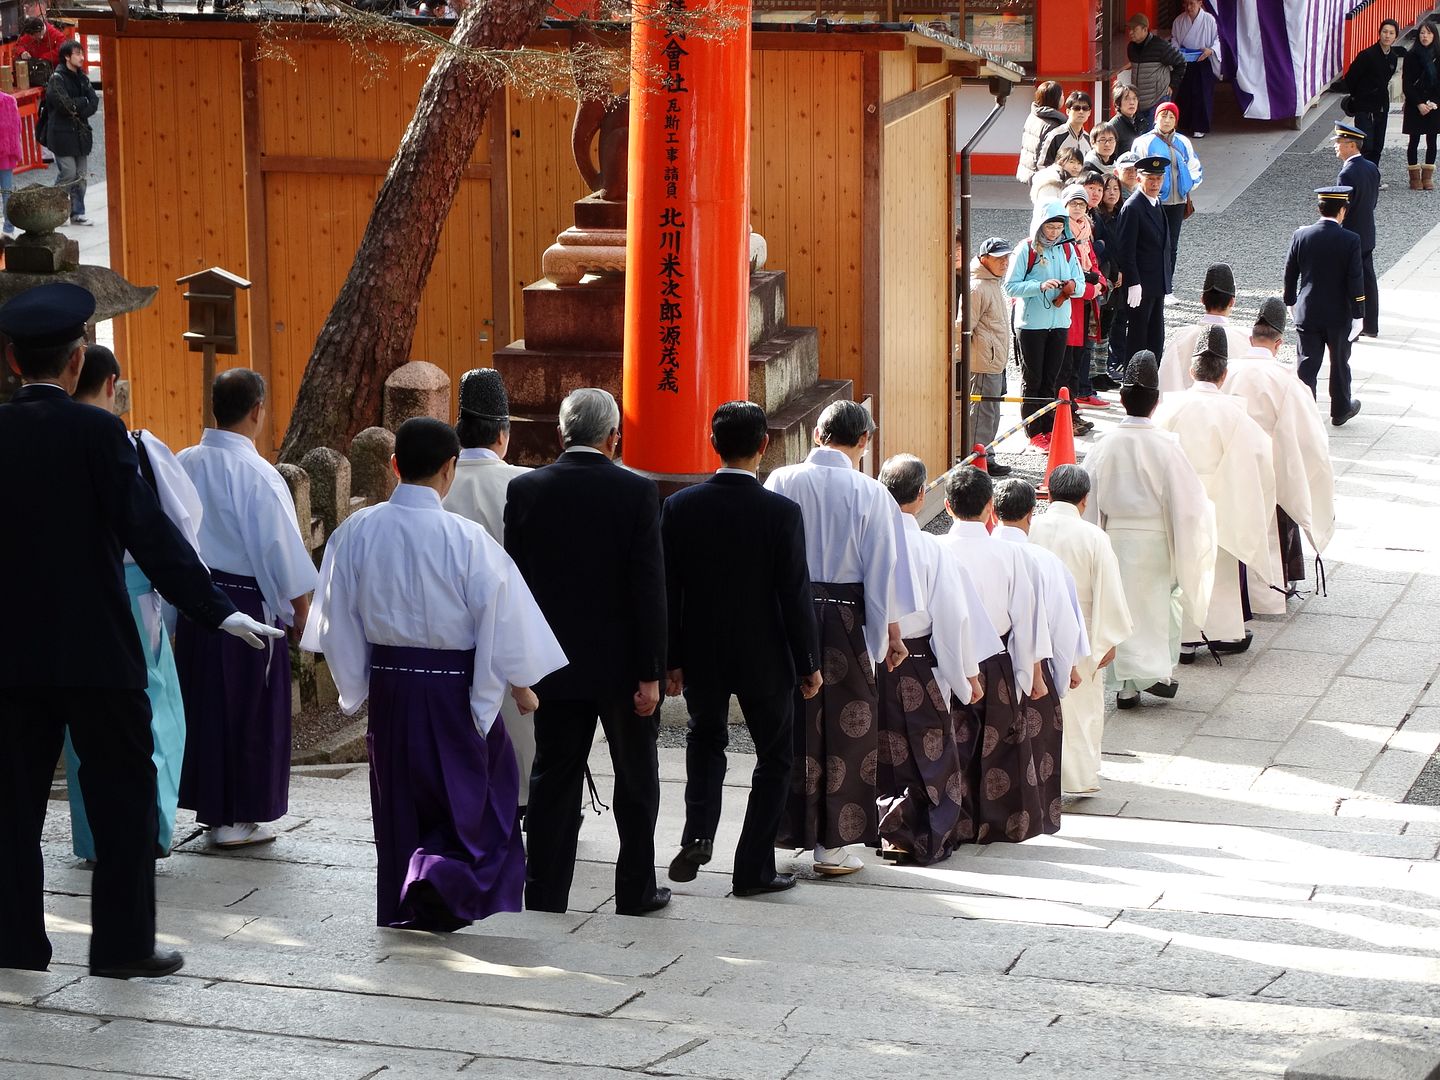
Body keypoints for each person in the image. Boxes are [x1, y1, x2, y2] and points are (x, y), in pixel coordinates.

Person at [0, 283, 278, 979]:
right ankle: (121, 946)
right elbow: (148, 534)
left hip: (10, 650)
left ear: (12, 361)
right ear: (76, 362)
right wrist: (217, 608)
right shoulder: (100, 434)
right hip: (97, 645)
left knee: (10, 802)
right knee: (123, 797)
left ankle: (13, 942)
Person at [303, 418, 563, 930]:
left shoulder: (356, 531)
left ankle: (409, 895)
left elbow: (338, 621)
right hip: (452, 688)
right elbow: (498, 618)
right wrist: (511, 687)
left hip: (391, 685)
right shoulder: (468, 540)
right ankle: (436, 878)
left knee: (401, 802)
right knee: (479, 797)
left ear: (394, 465)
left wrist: (359, 682)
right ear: (450, 469)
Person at [504, 388, 669, 915]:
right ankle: (636, 891)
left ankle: (546, 892)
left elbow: (517, 585)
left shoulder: (527, 490)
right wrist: (651, 673)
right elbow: (649, 589)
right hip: (622, 667)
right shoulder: (638, 493)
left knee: (553, 777)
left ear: (561, 434)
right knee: (636, 776)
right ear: (613, 437)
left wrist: (522, 666)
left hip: (553, 663)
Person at [661, 402, 821, 897]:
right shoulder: (780, 512)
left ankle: (698, 834)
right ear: (764, 444)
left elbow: (668, 589)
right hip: (766, 653)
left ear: (713, 443)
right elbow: (794, 592)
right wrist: (808, 662)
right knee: (774, 756)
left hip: (702, 649)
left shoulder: (681, 506)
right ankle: (752, 867)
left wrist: (671, 659)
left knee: (705, 740)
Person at [62, 345, 202, 865]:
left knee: (84, 721)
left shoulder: (52, 439)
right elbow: (181, 523)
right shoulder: (134, 444)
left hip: (74, 593)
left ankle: (94, 837)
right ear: (111, 383)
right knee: (156, 710)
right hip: (138, 590)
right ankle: (150, 828)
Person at [764, 400, 916, 876]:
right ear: (864, 441)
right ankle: (832, 848)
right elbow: (882, 572)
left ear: (815, 434)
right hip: (848, 617)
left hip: (787, 613)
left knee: (788, 724)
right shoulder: (872, 494)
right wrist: (884, 636)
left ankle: (782, 831)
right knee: (848, 730)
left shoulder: (781, 481)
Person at [176, 369, 317, 849]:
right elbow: (282, 551)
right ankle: (234, 816)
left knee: (205, 702)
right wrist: (302, 613)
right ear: (257, 410)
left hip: (196, 598)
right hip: (245, 604)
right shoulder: (258, 474)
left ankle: (216, 809)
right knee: (246, 707)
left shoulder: (183, 462)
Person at [876, 454, 998, 862]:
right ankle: (920, 835)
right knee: (929, 754)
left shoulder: (866, 540)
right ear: (923, 495)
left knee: (880, 748)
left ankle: (882, 829)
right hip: (920, 661)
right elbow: (953, 618)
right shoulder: (931, 549)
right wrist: (967, 676)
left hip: (871, 660)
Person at [1082, 351, 1215, 711]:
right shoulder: (1165, 446)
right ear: (1156, 403)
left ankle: (1126, 684)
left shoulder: (1104, 446)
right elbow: (1188, 505)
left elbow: (1088, 500)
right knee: (1150, 612)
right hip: (1154, 540)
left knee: (1117, 608)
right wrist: (1184, 542)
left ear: (1121, 399)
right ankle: (1144, 676)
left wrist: (1092, 539)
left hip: (1114, 538)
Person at [939, 467, 1056, 843]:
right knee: (997, 744)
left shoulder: (935, 549)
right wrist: (1033, 675)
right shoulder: (1010, 554)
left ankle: (951, 821)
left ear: (947, 507)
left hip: (944, 658)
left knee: (948, 743)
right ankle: (998, 822)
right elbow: (1027, 620)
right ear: (991, 507)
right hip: (997, 661)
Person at [441, 367, 536, 812]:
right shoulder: (524, 484)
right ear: (503, 432)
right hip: (512, 631)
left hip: (448, 636)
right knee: (521, 747)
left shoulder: (436, 484)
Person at [1157, 327, 1278, 660]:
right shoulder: (1234, 413)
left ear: (1192, 371)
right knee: (1219, 567)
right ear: (1225, 374)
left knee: (1178, 565)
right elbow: (1260, 458)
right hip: (1218, 500)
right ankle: (1222, 631)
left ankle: (1181, 636)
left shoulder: (1170, 408)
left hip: (1177, 500)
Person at [1226, 298, 1336, 616]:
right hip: (1268, 467)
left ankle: (1235, 591)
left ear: (1250, 339)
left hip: (1231, 464)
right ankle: (1269, 589)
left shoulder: (1227, 372)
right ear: (1279, 343)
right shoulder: (1286, 380)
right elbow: (1310, 438)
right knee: (1272, 525)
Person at [1030, 465, 1132, 797]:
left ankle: (1037, 769)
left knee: (1038, 703)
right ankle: (1077, 775)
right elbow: (1109, 590)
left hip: (1034, 627)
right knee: (1081, 708)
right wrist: (1109, 639)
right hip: (1081, 630)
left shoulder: (1032, 527)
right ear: (1084, 500)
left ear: (1048, 492)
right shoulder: (1093, 537)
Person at [991, 478, 1090, 811]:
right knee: (1036, 742)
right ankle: (1031, 812)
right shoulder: (1045, 562)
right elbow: (1063, 625)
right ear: (1031, 514)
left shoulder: (968, 553)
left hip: (984, 665)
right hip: (1035, 665)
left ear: (993, 509)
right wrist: (1065, 671)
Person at [1004, 199, 1086, 452]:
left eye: (1058, 227)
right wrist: (1039, 286)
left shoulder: (1068, 250)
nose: (1054, 232)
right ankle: (1033, 429)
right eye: (1049, 227)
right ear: (1039, 225)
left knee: (1052, 378)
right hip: (1031, 325)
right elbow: (1010, 286)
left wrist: (1070, 287)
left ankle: (1048, 426)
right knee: (1033, 378)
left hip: (1059, 322)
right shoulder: (1025, 249)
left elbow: (1082, 284)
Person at [1283, 186, 1365, 426]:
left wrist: (1290, 301)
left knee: (1307, 363)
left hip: (1308, 309)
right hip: (1339, 313)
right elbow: (1355, 279)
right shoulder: (1350, 239)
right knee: (1339, 361)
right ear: (1342, 210)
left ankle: (1304, 412)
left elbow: (1290, 272)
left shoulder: (1301, 235)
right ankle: (1340, 409)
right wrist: (1359, 313)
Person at [1132, 102, 1203, 284]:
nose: (1167, 120)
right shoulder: (1143, 142)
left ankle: (1167, 283)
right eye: (1164, 116)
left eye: (1172, 117)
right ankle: (1151, 280)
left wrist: (1186, 186)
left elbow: (1194, 167)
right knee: (1153, 242)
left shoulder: (1183, 141)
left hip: (1177, 201)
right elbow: (1135, 170)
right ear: (1156, 118)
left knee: (1172, 245)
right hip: (1154, 201)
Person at [1159, 263, 1253, 394]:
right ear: (1232, 302)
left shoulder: (1180, 337)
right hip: (1232, 412)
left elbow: (1166, 385)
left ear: (1202, 299)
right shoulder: (1246, 340)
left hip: (1186, 411)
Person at [964, 236, 1014, 476]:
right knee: (982, 414)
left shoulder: (991, 282)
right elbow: (962, 328)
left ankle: (986, 455)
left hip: (993, 360)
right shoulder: (978, 287)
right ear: (984, 259)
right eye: (999, 258)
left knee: (990, 412)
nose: (1005, 262)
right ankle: (978, 459)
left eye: (1006, 257)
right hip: (982, 362)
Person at [1115, 155, 1173, 361]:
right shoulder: (1133, 207)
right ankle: (1135, 379)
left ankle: (1151, 376)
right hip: (1141, 284)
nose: (1155, 183)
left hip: (1156, 282)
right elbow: (1126, 250)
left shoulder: (1156, 203)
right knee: (1139, 336)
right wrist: (1133, 282)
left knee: (1156, 335)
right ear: (1139, 179)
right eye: (1150, 179)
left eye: (1159, 179)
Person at [1062, 182, 1108, 420]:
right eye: (1073, 203)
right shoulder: (1061, 231)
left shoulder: (1084, 230)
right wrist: (1093, 287)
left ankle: (1073, 409)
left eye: (1081, 204)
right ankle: (1066, 410)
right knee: (1066, 361)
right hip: (1071, 303)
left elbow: (1092, 260)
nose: (1078, 208)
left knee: (1080, 355)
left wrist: (1100, 280)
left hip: (1085, 303)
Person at [1335, 121, 1382, 338]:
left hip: (1352, 234)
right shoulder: (1371, 167)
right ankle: (1370, 325)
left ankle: (1354, 323)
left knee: (1350, 281)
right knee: (1368, 279)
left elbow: (1342, 209)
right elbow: (1372, 201)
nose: (1336, 146)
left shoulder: (1347, 174)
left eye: (1340, 142)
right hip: (1367, 231)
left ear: (1352, 146)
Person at [43, 39, 97, 226]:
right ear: (67, 56)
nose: (81, 57)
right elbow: (65, 106)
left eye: (82, 53)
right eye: (77, 53)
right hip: (61, 133)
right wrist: (82, 103)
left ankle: (77, 212)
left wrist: (80, 106)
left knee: (81, 175)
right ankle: (56, 210)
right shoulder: (57, 79)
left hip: (80, 133)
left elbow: (94, 102)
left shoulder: (83, 77)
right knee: (68, 172)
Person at [1342, 18, 1403, 171]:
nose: (1387, 36)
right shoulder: (1367, 55)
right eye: (1384, 32)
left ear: (1395, 36)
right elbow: (1351, 78)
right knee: (1365, 143)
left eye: (1391, 33)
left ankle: (1373, 176)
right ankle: (1360, 176)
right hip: (1364, 105)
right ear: (1379, 33)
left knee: (1378, 144)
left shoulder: (1393, 57)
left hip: (1381, 105)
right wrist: (1358, 96)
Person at [1125, 14, 1187, 133]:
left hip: (1159, 99)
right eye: (1130, 29)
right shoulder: (1131, 48)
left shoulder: (1160, 46)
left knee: (1156, 135)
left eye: (1134, 29)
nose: (1131, 32)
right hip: (1140, 101)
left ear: (1145, 29)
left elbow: (1181, 62)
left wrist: (1172, 85)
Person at [1171, 0, 1221, 138]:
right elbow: (1175, 39)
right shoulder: (1179, 20)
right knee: (1184, 94)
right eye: (1185, 4)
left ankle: (1200, 126)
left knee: (1202, 95)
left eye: (1192, 3)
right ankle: (1184, 124)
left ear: (1200, 3)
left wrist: (1210, 50)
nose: (1188, 7)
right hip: (1185, 60)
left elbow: (1218, 40)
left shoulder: (1209, 20)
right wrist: (1177, 51)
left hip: (1202, 60)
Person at [1402, 19, 1440, 190]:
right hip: (1414, 103)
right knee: (1414, 140)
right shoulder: (1411, 55)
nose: (1425, 36)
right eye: (1422, 33)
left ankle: (1428, 177)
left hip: (1433, 103)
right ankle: (1414, 177)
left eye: (1429, 33)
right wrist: (1418, 103)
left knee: (1432, 139)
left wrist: (1433, 103)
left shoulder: (1438, 55)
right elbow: (1407, 83)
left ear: (1434, 35)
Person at [1016, 80, 1066, 184]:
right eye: (1062, 95)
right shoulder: (1053, 123)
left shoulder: (1034, 115)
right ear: (1055, 98)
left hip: (1029, 170)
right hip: (1043, 175)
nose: (1063, 98)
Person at [1037, 91, 1094, 171]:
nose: (1081, 112)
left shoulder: (1088, 138)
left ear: (1089, 113)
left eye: (1085, 108)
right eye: (1076, 108)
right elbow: (1042, 165)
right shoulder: (1056, 135)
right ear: (1068, 111)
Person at [0, 91, 20, 238]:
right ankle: (8, 228)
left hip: (5, 154)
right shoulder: (9, 101)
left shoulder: (8, 101)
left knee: (7, 192)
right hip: (6, 153)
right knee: (7, 191)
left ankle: (8, 227)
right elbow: (16, 128)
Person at [1109, 84, 1144, 155]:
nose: (1132, 102)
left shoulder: (1141, 122)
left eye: (1134, 99)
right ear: (1118, 103)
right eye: (1127, 99)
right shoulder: (1114, 126)